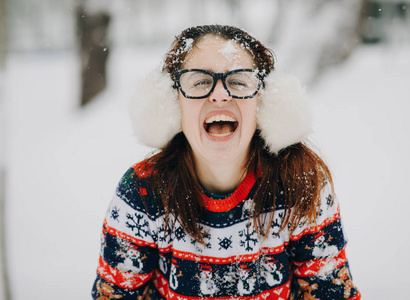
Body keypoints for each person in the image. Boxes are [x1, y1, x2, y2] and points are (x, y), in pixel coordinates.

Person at [91, 25, 360, 300]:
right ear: (174, 105)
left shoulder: (300, 184)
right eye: (199, 82)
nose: (220, 94)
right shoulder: (142, 194)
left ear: (263, 102)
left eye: (239, 81)